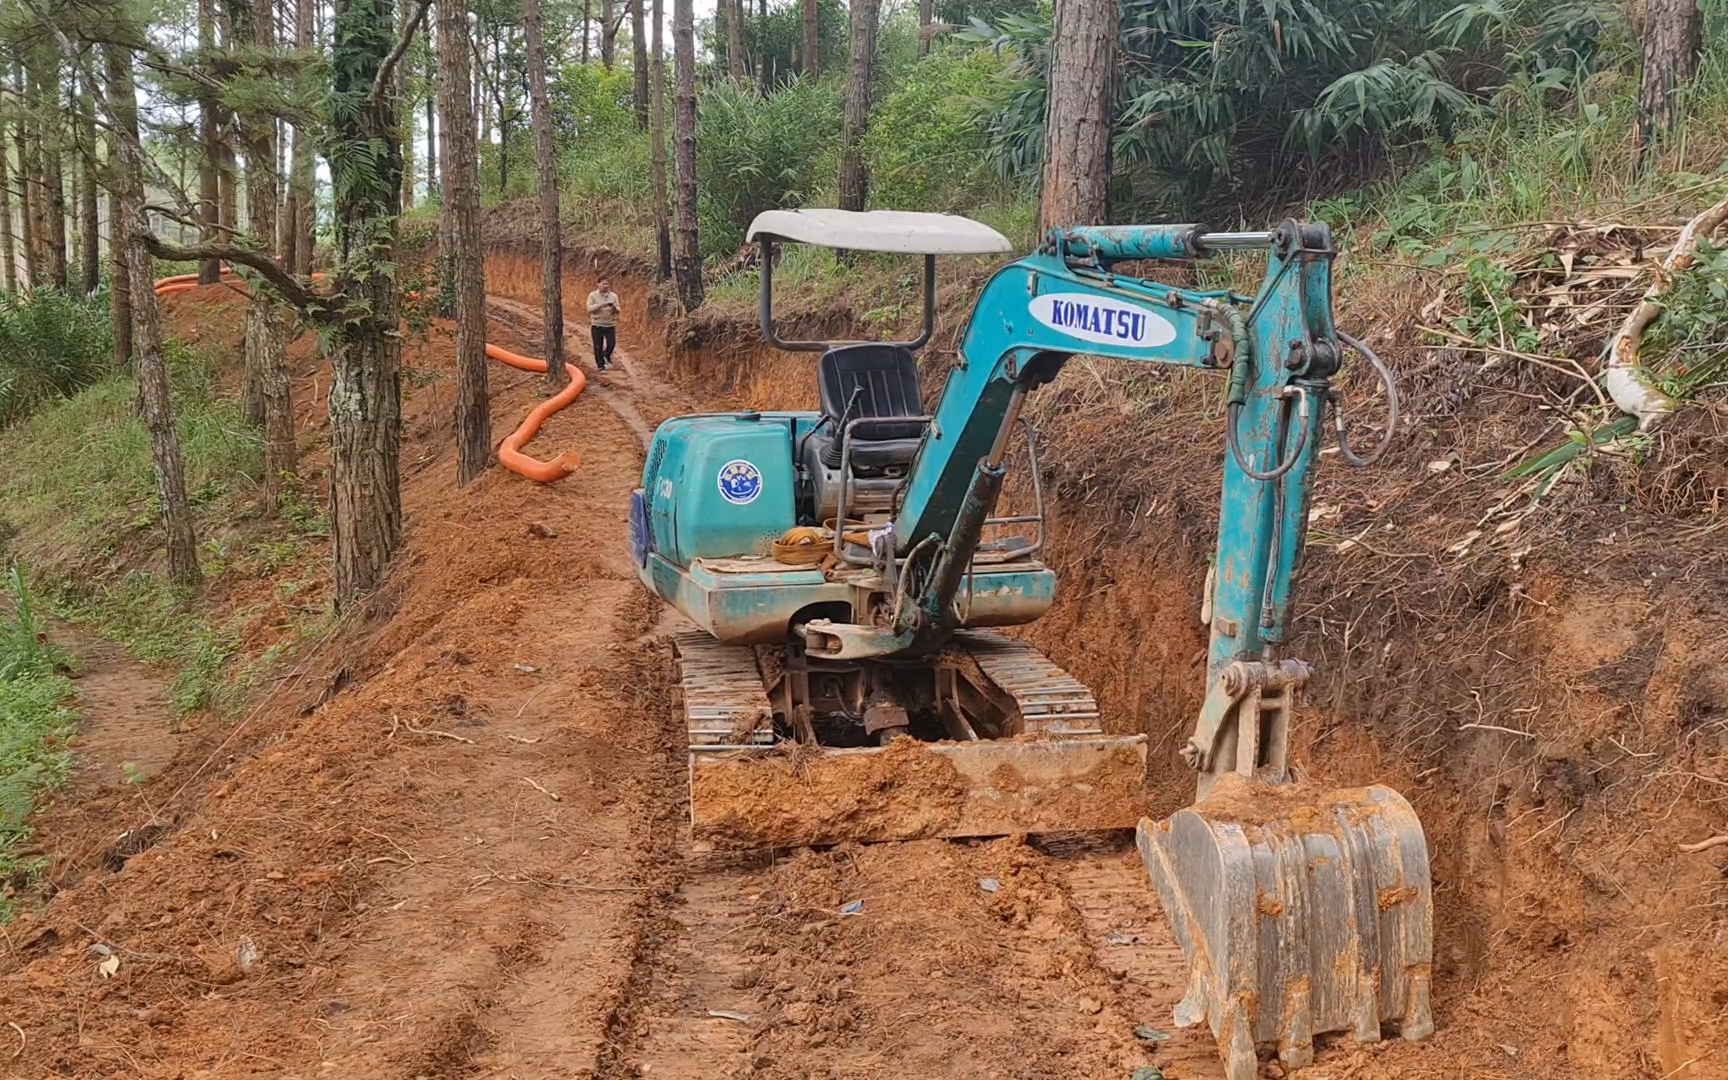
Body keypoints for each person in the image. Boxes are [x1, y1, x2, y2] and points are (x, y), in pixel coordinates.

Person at [585, 277, 620, 371]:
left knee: (611, 344)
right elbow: (589, 309)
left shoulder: (613, 296)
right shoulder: (592, 295)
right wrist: (600, 305)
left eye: (607, 284)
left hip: (610, 324)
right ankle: (600, 365)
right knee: (597, 346)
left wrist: (613, 307)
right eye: (603, 284)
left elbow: (618, 310)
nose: (605, 286)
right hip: (597, 324)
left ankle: (606, 355)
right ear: (598, 284)